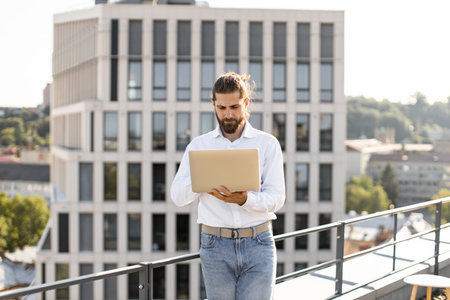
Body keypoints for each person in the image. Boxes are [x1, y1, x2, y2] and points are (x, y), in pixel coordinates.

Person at [170, 72, 285, 300]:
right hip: (215, 246)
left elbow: (277, 198)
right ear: (213, 104)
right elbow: (177, 196)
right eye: (222, 108)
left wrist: (245, 199)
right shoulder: (198, 146)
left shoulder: (267, 144)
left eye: (234, 106)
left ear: (246, 103)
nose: (228, 114)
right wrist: (203, 179)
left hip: (258, 243)